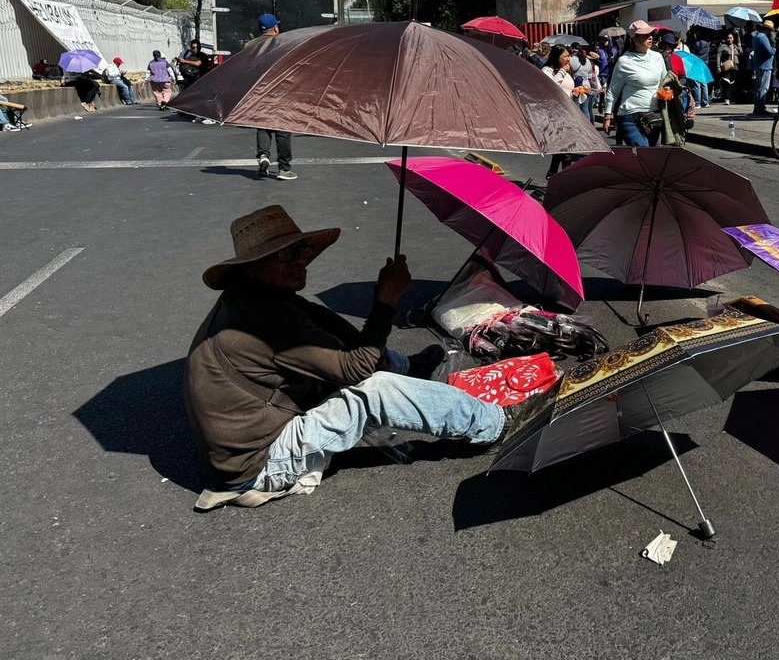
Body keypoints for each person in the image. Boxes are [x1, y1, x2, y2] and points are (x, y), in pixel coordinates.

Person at [184, 204, 545, 510]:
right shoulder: (261, 318)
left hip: (260, 424)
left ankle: (407, 368)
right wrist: (386, 300)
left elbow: (325, 324)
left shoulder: (254, 296)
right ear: (251, 266)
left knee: (342, 340)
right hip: (258, 464)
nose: (299, 261)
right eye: (283, 255)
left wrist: (376, 337)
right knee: (376, 389)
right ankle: (495, 424)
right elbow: (357, 370)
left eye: (301, 251)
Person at [603, 19, 670, 147]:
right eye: (646, 35)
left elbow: (664, 82)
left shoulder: (658, 57)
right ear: (635, 38)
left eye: (651, 35)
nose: (650, 38)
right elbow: (613, 90)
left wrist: (668, 91)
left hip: (653, 116)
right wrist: (607, 116)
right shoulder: (624, 61)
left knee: (652, 158)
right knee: (642, 152)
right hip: (630, 116)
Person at [249, 14, 296, 180]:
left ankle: (263, 156)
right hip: (281, 91)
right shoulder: (284, 43)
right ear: (275, 28)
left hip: (259, 91)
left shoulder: (250, 46)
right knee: (282, 128)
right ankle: (284, 168)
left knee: (263, 124)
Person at [544, 44, 576, 176]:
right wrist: (562, 71)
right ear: (557, 57)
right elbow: (550, 87)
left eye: (569, 56)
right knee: (566, 149)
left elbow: (566, 90)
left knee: (563, 147)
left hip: (569, 113)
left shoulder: (568, 71)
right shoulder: (547, 70)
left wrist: (575, 92)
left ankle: (552, 173)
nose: (568, 59)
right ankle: (565, 179)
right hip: (555, 115)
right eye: (565, 56)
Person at [749, 20, 776, 116]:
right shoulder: (763, 37)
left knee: (758, 87)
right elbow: (770, 52)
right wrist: (774, 47)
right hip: (765, 65)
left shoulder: (756, 36)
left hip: (758, 64)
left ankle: (757, 107)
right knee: (763, 88)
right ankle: (761, 108)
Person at [716, 32, 741, 105]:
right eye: (728, 38)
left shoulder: (735, 46)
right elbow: (718, 57)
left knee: (732, 82)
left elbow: (740, 53)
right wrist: (718, 66)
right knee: (726, 82)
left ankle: (730, 98)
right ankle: (726, 98)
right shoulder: (722, 46)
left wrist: (739, 44)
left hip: (735, 66)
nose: (729, 39)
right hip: (726, 67)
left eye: (731, 38)